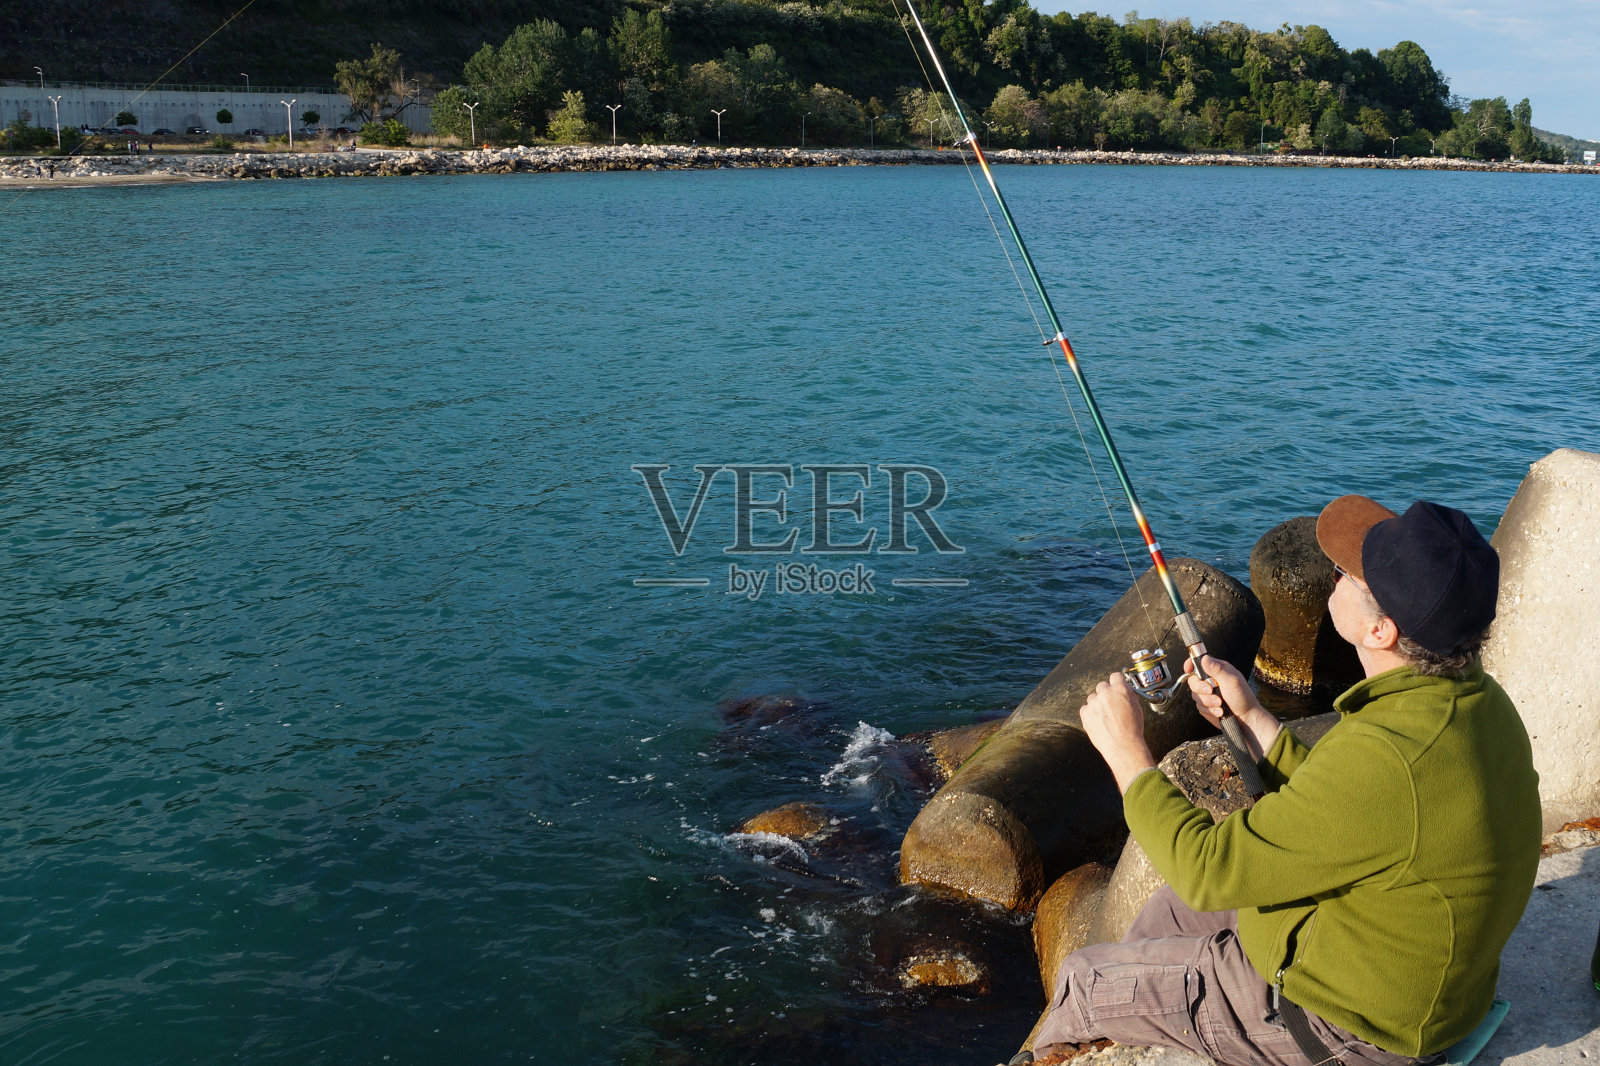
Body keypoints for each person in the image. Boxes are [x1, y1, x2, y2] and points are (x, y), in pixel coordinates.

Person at [1027, 496, 1542, 1066]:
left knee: (1084, 978)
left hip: (1349, 1027)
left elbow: (1208, 870)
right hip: (1397, 966)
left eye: (1348, 573)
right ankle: (1148, 1012)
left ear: (1379, 630)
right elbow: (1349, 807)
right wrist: (1250, 717)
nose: (1336, 576)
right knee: (1169, 912)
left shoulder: (1389, 755)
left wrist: (1127, 753)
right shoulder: (1469, 702)